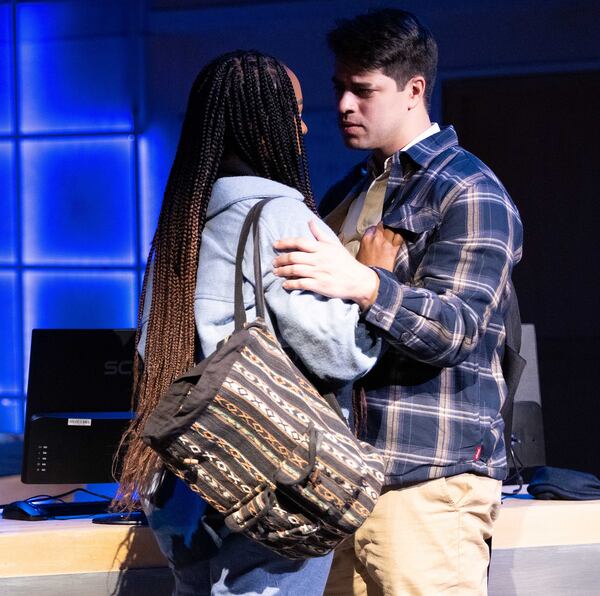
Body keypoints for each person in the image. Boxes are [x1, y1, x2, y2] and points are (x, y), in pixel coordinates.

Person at [273, 9, 523, 595]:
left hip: (426, 484)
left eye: (363, 90)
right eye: (339, 87)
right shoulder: (351, 188)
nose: (343, 105)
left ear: (414, 90)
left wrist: (365, 284)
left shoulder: (468, 190)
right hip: (338, 479)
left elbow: (457, 328)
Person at [115, 50, 381, 595]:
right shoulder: (282, 218)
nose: (304, 126)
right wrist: (371, 279)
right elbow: (337, 350)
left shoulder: (181, 228)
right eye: (294, 111)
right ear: (261, 124)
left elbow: (151, 345)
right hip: (267, 474)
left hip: (186, 482)